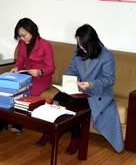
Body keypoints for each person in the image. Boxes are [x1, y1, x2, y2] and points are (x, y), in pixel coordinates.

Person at [35, 24, 124, 155]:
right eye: (79, 43)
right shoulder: (79, 51)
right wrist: (65, 83)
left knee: (72, 103)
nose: (80, 47)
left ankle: (75, 138)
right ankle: (49, 132)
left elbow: (109, 79)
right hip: (81, 90)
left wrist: (91, 84)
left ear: (92, 42)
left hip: (97, 93)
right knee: (58, 98)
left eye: (83, 45)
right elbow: (72, 69)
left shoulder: (106, 56)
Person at [0, 18, 55, 135]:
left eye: (24, 35)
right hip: (26, 74)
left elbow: (51, 68)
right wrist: (16, 68)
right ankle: (3, 120)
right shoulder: (21, 44)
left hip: (42, 77)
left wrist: (40, 72)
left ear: (32, 31)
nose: (22, 38)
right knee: (10, 89)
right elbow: (20, 61)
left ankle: (18, 122)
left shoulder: (45, 45)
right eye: (20, 36)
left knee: (26, 92)